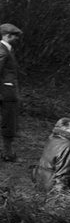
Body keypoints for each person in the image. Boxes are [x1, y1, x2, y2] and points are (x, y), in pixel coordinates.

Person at [32, 117, 70, 191]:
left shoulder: (52, 137)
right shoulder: (67, 145)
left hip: (41, 179)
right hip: (52, 185)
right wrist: (59, 193)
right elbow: (63, 172)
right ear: (65, 129)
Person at [0, 23, 23, 161]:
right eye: (15, 36)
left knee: (9, 122)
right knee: (8, 122)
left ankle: (7, 152)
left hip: (7, 91)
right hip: (6, 93)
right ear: (8, 36)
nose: (17, 39)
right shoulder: (3, 51)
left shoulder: (7, 50)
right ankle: (7, 154)